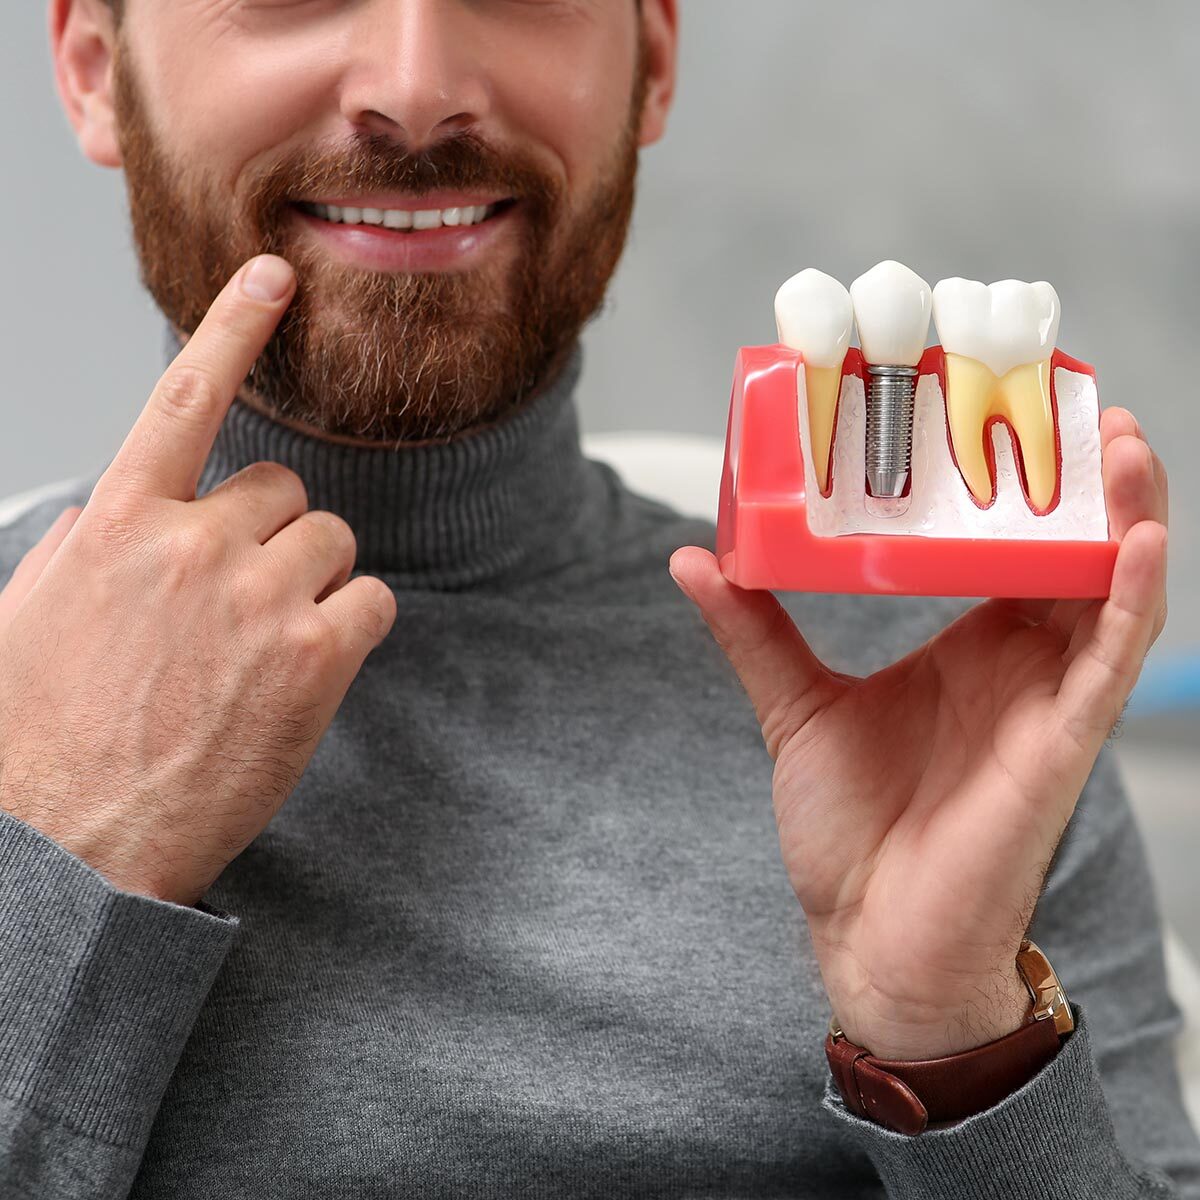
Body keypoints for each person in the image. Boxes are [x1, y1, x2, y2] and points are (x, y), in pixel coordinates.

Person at [0, 0, 1196, 1195]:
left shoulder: (944, 702)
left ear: (654, 64)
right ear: (97, 70)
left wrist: (955, 1040)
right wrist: (53, 846)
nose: (417, 87)